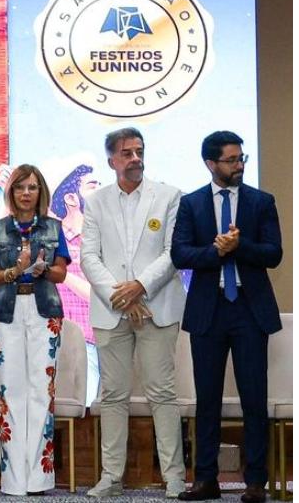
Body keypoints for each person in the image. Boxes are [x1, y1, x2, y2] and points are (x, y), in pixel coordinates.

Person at [172, 131, 282, 503]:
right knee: (207, 399)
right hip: (209, 310)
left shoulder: (261, 201)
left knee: (254, 398)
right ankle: (206, 480)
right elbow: (180, 254)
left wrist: (239, 245)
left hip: (250, 310)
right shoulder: (191, 204)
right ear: (211, 163)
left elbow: (274, 253)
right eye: (231, 160)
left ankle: (255, 482)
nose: (239, 166)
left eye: (241, 158)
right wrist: (216, 251)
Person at [81, 128, 187, 499]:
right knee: (113, 395)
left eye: (139, 151)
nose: (135, 158)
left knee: (162, 393)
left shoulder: (169, 196)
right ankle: (111, 477)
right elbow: (88, 257)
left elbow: (174, 252)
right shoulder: (95, 202)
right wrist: (122, 296)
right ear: (112, 160)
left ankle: (174, 477)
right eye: (126, 153)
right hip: (112, 310)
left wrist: (140, 286)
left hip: (157, 307)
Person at [0, 164, 69, 495]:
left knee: (41, 391)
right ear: (12, 192)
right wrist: (15, 271)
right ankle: (14, 480)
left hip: (45, 311)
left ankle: (39, 479)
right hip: (8, 311)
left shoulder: (54, 227)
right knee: (10, 392)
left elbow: (61, 273)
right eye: (20, 187)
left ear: (40, 191)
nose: (26, 193)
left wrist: (43, 269)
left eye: (32, 187)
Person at [49, 164, 99, 343]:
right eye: (92, 187)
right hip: (64, 343)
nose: (101, 193)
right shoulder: (51, 242)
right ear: (71, 198)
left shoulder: (106, 238)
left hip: (105, 342)